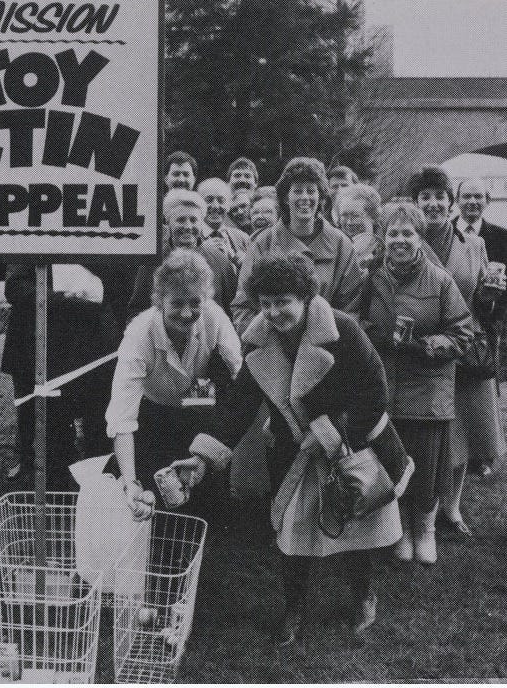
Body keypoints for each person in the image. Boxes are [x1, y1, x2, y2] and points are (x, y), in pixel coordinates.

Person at [173, 253, 407, 642]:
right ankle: (294, 610)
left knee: (356, 521)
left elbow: (375, 392)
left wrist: (332, 433)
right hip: (292, 448)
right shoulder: (258, 342)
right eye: (265, 303)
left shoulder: (344, 331)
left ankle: (365, 596)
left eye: (283, 302)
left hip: (352, 444)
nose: (274, 312)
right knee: (291, 534)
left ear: (306, 297)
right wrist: (202, 457)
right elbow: (239, 405)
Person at [363, 203, 473, 564]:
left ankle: (425, 529)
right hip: (384, 387)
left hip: (427, 388)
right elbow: (355, 321)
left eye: (408, 233)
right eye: (392, 233)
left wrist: (425, 345)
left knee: (425, 466)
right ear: (383, 237)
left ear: (420, 238)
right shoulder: (372, 278)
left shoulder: (440, 280)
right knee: (392, 462)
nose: (399, 240)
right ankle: (401, 531)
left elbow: (462, 333)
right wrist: (369, 336)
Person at [106, 249, 242, 521]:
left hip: (197, 396)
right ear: (158, 302)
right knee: (151, 492)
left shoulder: (214, 316)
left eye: (195, 303)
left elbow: (240, 372)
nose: (187, 312)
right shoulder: (138, 335)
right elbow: (122, 417)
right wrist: (131, 482)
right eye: (177, 304)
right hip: (153, 406)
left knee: (204, 496)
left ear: (206, 299)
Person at [409, 167, 506, 530]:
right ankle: (419, 512)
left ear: (449, 203)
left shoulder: (474, 244)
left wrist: (492, 296)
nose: (433, 204)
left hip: (464, 350)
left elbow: (484, 302)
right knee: (425, 433)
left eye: (439, 197)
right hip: (422, 352)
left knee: (464, 429)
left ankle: (452, 507)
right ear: (416, 203)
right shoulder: (406, 238)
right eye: (425, 197)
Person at [0, 264, 121, 487]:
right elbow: (15, 286)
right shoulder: (36, 243)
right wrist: (66, 302)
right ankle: (54, 485)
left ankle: (98, 487)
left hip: (96, 352)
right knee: (51, 426)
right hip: (48, 352)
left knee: (99, 425)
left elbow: (120, 284)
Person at [232, 157, 363, 335]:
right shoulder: (263, 242)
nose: (305, 198)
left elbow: (351, 308)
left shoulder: (341, 244)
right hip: (273, 348)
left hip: (327, 348)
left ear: (321, 196)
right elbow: (243, 306)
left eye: (311, 191)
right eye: (298, 191)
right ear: (286, 197)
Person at [455, 175, 507, 477]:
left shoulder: (500, 236)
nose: (473, 202)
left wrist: (495, 307)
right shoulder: (445, 233)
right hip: (456, 317)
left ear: (487, 201)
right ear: (457, 201)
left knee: (485, 382)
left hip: (488, 319)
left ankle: (483, 452)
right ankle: (461, 449)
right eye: (467, 197)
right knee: (459, 386)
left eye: (478, 197)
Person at [128, 189, 238, 321]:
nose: (188, 226)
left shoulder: (219, 260)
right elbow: (137, 311)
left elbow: (232, 310)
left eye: (193, 220)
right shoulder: (153, 262)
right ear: (168, 223)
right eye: (181, 220)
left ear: (201, 223)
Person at [198, 177, 250, 271]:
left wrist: (237, 259)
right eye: (209, 200)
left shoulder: (243, 238)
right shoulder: (191, 238)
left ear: (229, 205)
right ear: (199, 204)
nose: (215, 206)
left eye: (221, 200)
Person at [336, 184, 384, 275]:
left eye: (356, 216)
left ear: (373, 217)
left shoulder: (385, 253)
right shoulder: (335, 250)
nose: (349, 222)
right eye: (344, 215)